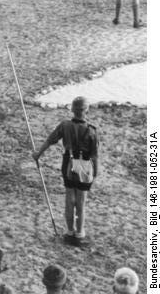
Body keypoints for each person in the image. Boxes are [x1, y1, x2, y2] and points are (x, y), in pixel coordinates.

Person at [32, 96, 99, 247]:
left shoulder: (65, 125)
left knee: (70, 199)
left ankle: (69, 232)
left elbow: (50, 140)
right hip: (84, 166)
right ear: (86, 110)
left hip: (68, 164)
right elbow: (94, 155)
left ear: (72, 110)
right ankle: (79, 234)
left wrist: (38, 154)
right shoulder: (92, 131)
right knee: (81, 201)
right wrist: (95, 172)